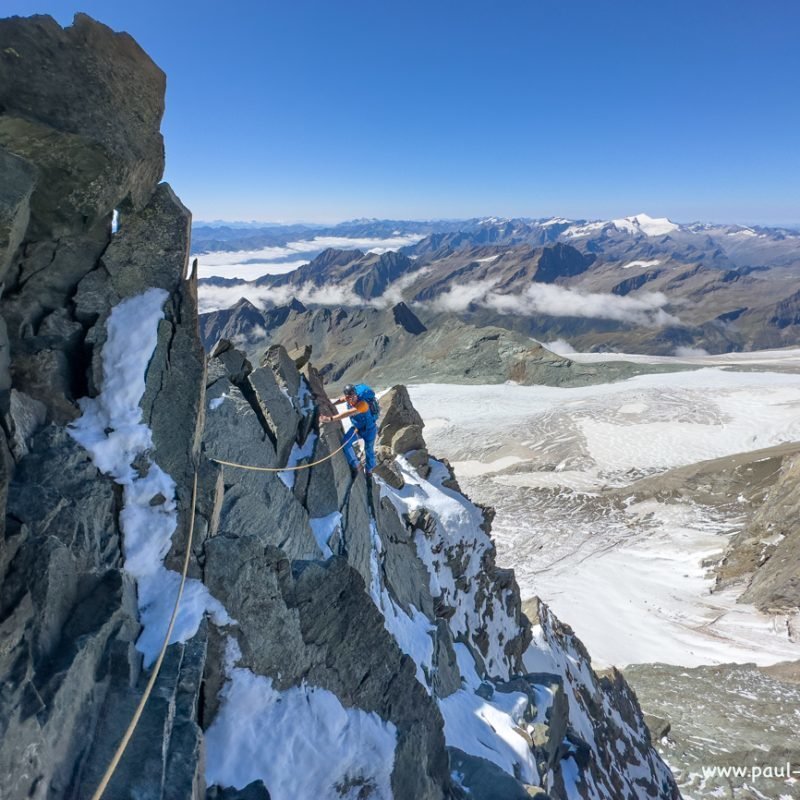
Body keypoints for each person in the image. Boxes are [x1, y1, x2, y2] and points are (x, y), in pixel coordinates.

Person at [319, 383, 378, 478]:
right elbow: (342, 399)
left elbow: (348, 413)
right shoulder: (349, 398)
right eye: (350, 397)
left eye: (354, 396)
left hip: (369, 429)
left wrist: (330, 419)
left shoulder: (363, 404)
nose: (352, 398)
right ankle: (356, 465)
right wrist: (331, 403)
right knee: (346, 442)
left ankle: (369, 470)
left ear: (356, 394)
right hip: (357, 428)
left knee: (369, 450)